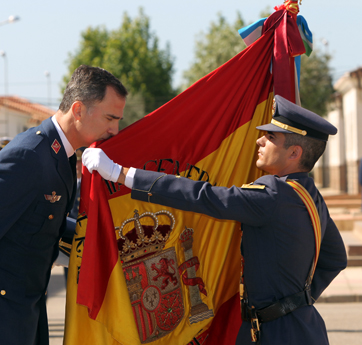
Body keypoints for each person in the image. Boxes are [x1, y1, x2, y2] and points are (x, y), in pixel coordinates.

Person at [82, 95, 347, 345]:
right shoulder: (309, 194)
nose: (259, 141)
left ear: (294, 154)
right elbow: (335, 257)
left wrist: (122, 174)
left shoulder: (274, 193)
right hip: (300, 326)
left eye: (270, 137)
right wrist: (297, 301)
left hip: (278, 334)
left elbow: (204, 196)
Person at [0, 65, 127, 345]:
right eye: (111, 118)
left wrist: (110, 235)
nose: (115, 129)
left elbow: (46, 229)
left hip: (23, 311)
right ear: (78, 110)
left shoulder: (62, 156)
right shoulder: (28, 156)